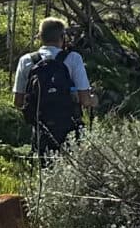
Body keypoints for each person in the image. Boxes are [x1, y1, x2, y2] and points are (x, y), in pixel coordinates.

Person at [13, 17, 94, 161]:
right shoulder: (74, 58)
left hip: (40, 128)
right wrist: (94, 100)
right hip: (69, 126)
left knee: (43, 168)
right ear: (62, 37)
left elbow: (18, 102)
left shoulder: (26, 60)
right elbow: (85, 100)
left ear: (40, 37)